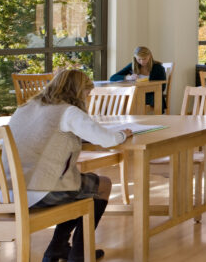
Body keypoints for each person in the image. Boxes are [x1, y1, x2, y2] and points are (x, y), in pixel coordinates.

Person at [9, 69, 132, 262]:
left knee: (80, 187)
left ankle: (57, 249)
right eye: (86, 94)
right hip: (42, 191)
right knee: (102, 185)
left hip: (11, 191)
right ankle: (79, 253)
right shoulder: (68, 111)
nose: (87, 99)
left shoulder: (25, 107)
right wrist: (124, 134)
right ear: (77, 91)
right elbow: (107, 140)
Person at [109, 46, 167, 111]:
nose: (142, 62)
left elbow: (163, 87)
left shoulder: (158, 68)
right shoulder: (132, 65)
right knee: (120, 99)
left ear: (150, 56)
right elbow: (112, 78)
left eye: (144, 59)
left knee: (131, 100)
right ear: (135, 57)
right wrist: (128, 77)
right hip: (135, 94)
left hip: (152, 96)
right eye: (139, 59)